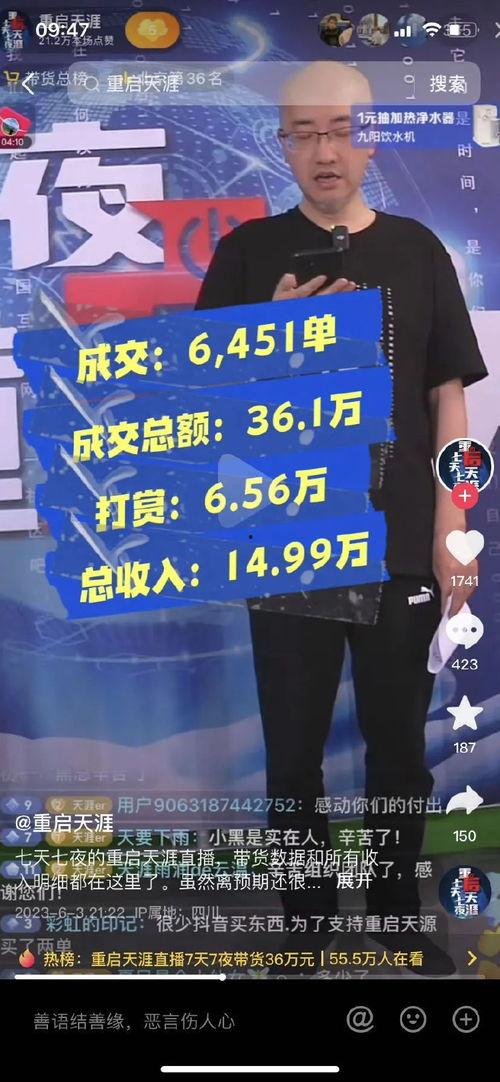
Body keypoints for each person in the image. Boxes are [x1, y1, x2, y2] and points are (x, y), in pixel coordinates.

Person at [194, 61, 488, 975]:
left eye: (341, 131)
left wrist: (454, 527)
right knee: (293, 755)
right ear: (282, 143)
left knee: (400, 754)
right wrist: (265, 338)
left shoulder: (417, 250)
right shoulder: (247, 253)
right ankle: (307, 923)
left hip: (400, 539)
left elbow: (448, 399)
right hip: (287, 540)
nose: (324, 151)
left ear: (371, 140)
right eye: (304, 133)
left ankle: (396, 918)